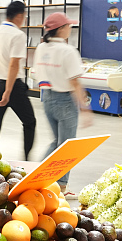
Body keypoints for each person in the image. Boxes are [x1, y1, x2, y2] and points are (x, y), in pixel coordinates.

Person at [32, 12, 92, 192]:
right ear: (60, 29)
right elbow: (75, 82)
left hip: (47, 97)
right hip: (65, 100)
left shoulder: (41, 48)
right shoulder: (68, 51)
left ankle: (36, 176)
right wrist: (86, 109)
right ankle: (59, 187)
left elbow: (38, 75)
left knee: (58, 142)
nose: (70, 28)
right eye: (68, 26)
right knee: (67, 148)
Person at [0, 1, 37, 160]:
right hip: (12, 87)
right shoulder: (18, 35)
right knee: (29, 122)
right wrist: (7, 91)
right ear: (20, 16)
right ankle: (27, 160)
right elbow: (14, 64)